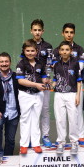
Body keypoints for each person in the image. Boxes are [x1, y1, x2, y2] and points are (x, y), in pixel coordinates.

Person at [53, 23, 84, 147]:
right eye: (66, 32)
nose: (69, 34)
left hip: (75, 85)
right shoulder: (57, 50)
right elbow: (54, 68)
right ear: (63, 33)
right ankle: (61, 140)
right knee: (61, 117)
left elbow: (80, 66)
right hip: (61, 89)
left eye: (71, 32)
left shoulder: (79, 49)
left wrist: (70, 69)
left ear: (74, 33)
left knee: (76, 112)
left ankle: (79, 136)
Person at [16, 39, 49, 154]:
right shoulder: (21, 63)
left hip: (38, 94)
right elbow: (20, 81)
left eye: (32, 50)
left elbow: (44, 77)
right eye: (27, 50)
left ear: (36, 51)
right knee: (25, 119)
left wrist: (46, 81)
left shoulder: (40, 63)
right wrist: (36, 85)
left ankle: (36, 144)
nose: (30, 53)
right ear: (24, 51)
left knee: (35, 119)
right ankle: (24, 145)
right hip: (25, 94)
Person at [52, 41, 81, 155]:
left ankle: (74, 142)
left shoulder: (75, 63)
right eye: (62, 49)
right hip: (58, 94)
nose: (64, 51)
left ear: (71, 51)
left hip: (72, 94)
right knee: (60, 119)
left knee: (73, 118)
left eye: (67, 49)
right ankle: (61, 142)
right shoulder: (56, 65)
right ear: (59, 51)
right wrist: (49, 85)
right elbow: (55, 79)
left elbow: (79, 81)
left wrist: (78, 95)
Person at [30, 19, 53, 147]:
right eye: (35, 30)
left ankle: (45, 136)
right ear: (31, 31)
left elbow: (49, 63)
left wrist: (47, 76)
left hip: (45, 82)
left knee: (45, 109)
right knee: (33, 110)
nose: (37, 32)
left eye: (39, 30)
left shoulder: (48, 46)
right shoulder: (27, 44)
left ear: (43, 31)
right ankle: (33, 138)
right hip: (31, 83)